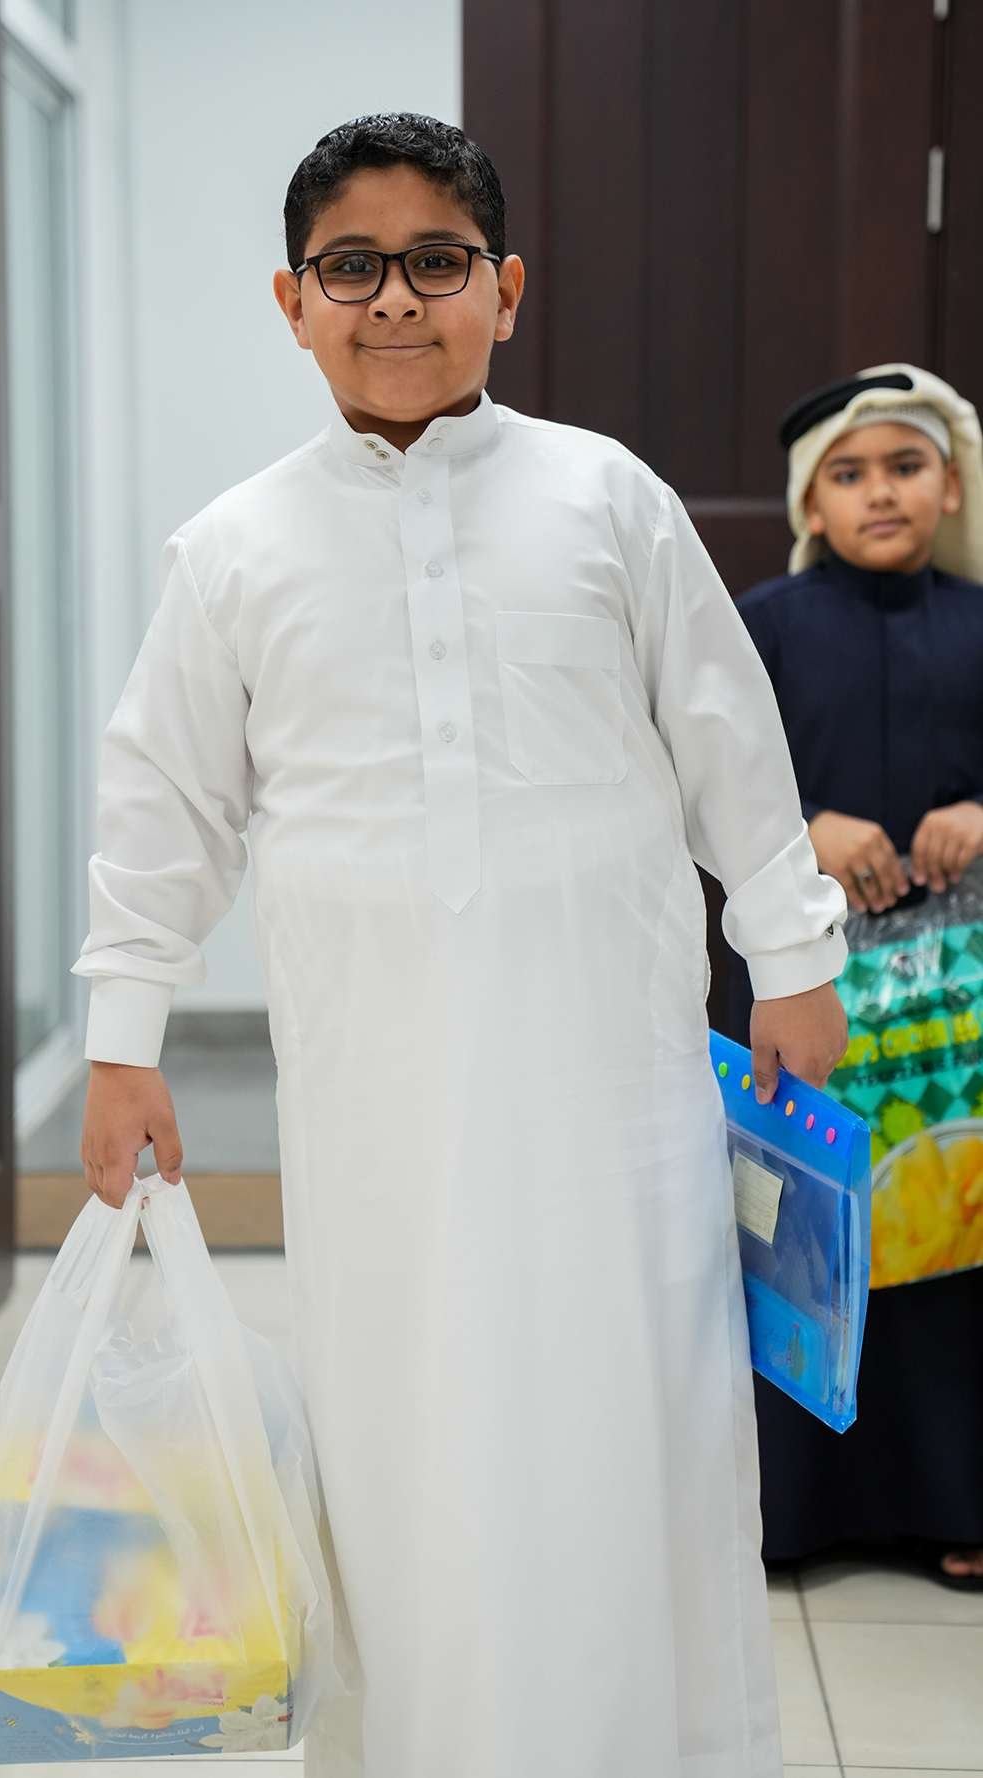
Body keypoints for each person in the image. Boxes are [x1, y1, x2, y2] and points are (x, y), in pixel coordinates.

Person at [73, 113, 848, 1778]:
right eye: (352, 265)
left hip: (612, 1082)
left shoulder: (607, 498)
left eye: (437, 261)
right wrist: (124, 1039)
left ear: (507, 288)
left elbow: (727, 738)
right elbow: (164, 807)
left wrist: (793, 955)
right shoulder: (233, 547)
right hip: (381, 1099)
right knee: (406, 1428)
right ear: (291, 301)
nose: (396, 300)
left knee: (629, 1411)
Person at [724, 363, 983, 1588]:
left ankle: (958, 1498)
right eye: (849, 472)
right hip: (807, 998)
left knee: (956, 1239)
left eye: (904, 466)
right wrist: (808, 829)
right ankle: (792, 1513)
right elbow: (703, 779)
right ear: (809, 502)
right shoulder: (762, 627)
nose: (879, 491)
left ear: (950, 486)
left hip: (955, 1026)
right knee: (803, 1229)